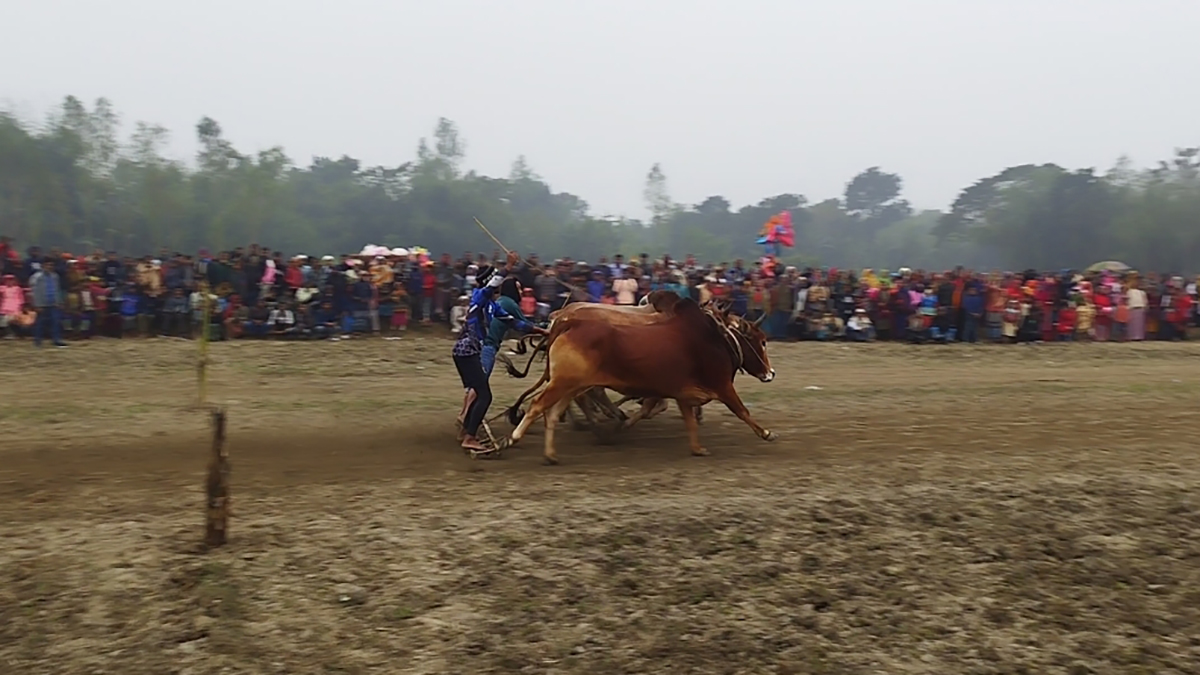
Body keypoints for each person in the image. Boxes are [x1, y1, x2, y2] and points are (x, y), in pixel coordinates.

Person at [453, 252, 546, 453]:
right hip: (470, 350)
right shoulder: (482, 295)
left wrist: (541, 331)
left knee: (479, 392)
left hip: (464, 351)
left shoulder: (493, 306)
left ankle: (466, 431)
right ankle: (469, 436)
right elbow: (493, 284)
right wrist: (509, 266)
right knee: (484, 395)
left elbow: (515, 323)